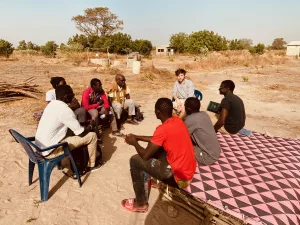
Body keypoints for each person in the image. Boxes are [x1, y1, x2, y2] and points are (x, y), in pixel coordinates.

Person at [121, 98, 196, 213]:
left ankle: (141, 203)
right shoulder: (177, 121)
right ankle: (155, 180)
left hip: (180, 179)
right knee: (158, 149)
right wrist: (138, 137)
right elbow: (158, 140)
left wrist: (134, 143)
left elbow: (145, 156)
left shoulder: (163, 129)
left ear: (157, 112)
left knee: (135, 160)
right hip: (189, 171)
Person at [35, 85, 101, 171]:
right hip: (50, 151)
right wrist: (91, 126)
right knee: (92, 136)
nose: (73, 97)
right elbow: (80, 133)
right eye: (72, 95)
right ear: (66, 97)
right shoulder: (65, 110)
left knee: (71, 133)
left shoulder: (51, 104)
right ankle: (92, 165)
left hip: (40, 148)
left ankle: (68, 165)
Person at [184, 97, 221, 165]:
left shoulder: (190, 119)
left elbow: (180, 135)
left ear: (188, 108)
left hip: (207, 157)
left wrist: (180, 116)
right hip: (216, 152)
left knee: (179, 147)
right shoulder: (204, 114)